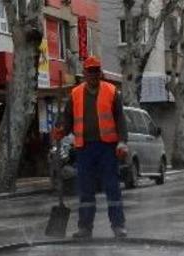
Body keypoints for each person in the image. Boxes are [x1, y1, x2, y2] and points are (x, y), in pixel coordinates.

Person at [54, 56, 129, 239]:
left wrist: (122, 141)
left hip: (107, 147)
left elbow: (120, 120)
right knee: (85, 189)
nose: (93, 75)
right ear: (85, 73)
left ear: (100, 73)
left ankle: (118, 226)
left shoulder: (112, 92)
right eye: (90, 71)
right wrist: (61, 129)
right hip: (84, 148)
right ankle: (85, 228)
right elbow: (68, 120)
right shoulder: (75, 94)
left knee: (112, 187)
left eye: (96, 71)